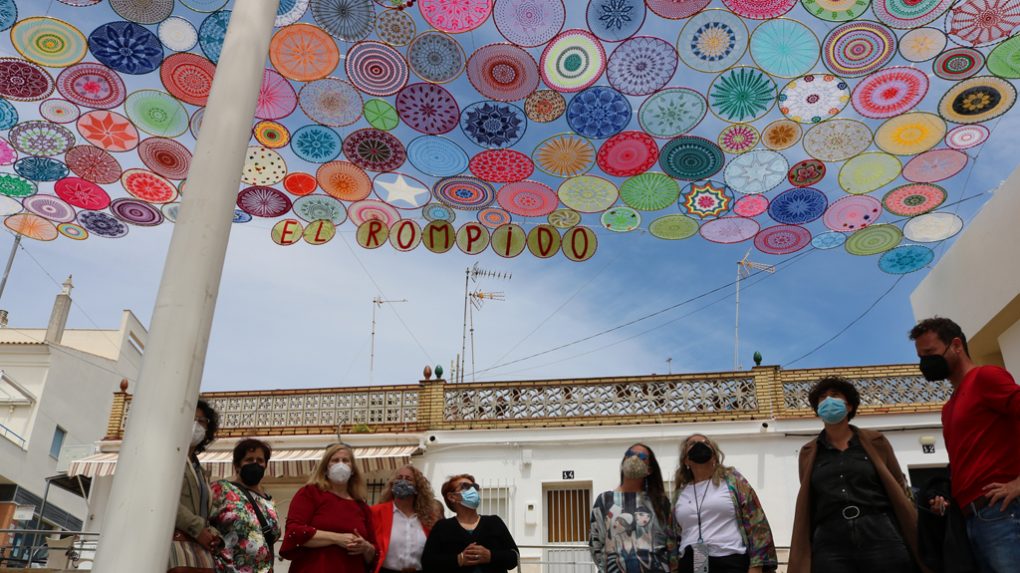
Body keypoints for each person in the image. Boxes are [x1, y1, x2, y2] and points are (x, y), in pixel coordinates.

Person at [911, 317, 1020, 572]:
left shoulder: (985, 377)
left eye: (930, 353)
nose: (925, 362)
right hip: (970, 520)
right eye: (920, 357)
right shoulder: (949, 408)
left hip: (1003, 513)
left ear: (957, 345)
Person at [788, 376, 928, 573]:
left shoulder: (876, 441)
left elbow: (898, 484)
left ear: (850, 406)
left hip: (879, 532)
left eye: (835, 395)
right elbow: (810, 500)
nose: (828, 400)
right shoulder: (808, 453)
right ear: (817, 409)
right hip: (830, 541)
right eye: (823, 397)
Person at [670, 435, 778, 573]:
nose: (699, 445)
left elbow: (757, 523)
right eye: (692, 443)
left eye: (705, 442)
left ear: (714, 456)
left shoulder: (733, 481)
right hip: (693, 562)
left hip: (730, 560)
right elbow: (672, 537)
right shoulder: (680, 494)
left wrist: (756, 566)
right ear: (686, 460)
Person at [280, 444, 378, 572]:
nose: (341, 464)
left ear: (353, 470)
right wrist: (337, 538)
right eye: (335, 460)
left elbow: (374, 554)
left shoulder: (362, 507)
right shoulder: (310, 493)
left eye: (345, 460)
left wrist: (366, 548)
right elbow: (294, 532)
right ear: (325, 468)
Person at [590, 444, 672, 573]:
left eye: (641, 456)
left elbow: (671, 541)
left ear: (650, 469)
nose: (634, 458)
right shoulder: (604, 500)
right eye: (629, 454)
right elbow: (595, 543)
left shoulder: (660, 502)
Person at [421, 474, 518, 572]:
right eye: (465, 487)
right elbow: (427, 563)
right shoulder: (442, 527)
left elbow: (514, 556)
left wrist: (491, 556)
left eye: (475, 487)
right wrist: (459, 559)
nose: (473, 490)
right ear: (452, 497)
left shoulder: (494, 522)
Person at [209, 438, 280, 573]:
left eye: (260, 460)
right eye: (249, 459)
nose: (255, 463)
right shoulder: (221, 489)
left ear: (265, 465)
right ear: (237, 465)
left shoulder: (269, 502)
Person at [170, 399, 222, 572]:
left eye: (201, 421)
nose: (196, 425)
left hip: (197, 550)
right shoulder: (170, 458)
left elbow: (205, 512)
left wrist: (213, 534)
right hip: (174, 546)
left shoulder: (200, 470)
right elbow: (166, 501)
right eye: (191, 419)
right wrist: (198, 529)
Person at [370, 465, 437, 573]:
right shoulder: (376, 512)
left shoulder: (428, 517)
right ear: (392, 484)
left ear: (417, 488)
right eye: (399, 477)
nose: (403, 481)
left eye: (408, 479)